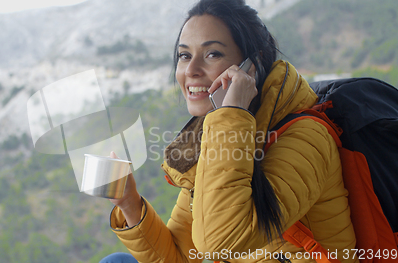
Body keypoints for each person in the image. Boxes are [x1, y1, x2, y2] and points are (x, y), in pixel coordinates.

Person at [100, 0, 357, 262]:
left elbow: (219, 242)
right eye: (184, 55)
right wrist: (129, 203)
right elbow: (181, 257)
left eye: (212, 54)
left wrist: (232, 110)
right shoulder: (216, 138)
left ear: (251, 67)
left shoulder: (306, 137)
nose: (191, 70)